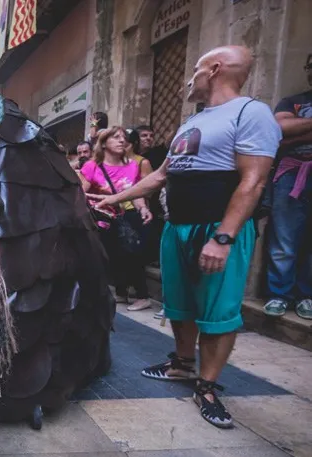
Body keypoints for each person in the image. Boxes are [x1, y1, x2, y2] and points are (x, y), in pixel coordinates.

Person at [91, 46, 281, 428]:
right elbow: (161, 175)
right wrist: (114, 198)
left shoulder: (251, 112)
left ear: (214, 69)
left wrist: (224, 238)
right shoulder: (193, 121)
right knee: (179, 304)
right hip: (177, 227)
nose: (188, 78)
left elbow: (253, 180)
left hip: (215, 228)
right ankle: (181, 363)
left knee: (217, 312)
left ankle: (207, 386)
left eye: (194, 69)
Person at [79, 127, 153, 312]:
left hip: (120, 217)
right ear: (103, 143)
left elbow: (135, 192)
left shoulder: (133, 166)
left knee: (131, 254)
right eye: (116, 137)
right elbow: (79, 194)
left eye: (124, 138)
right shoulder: (92, 166)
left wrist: (143, 207)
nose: (122, 141)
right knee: (100, 259)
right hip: (97, 221)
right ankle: (99, 296)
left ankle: (142, 296)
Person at [263, 54, 312, 319]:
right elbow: (279, 130)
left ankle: (307, 295)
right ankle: (279, 294)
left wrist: (297, 133)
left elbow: (290, 132)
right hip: (291, 172)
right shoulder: (292, 101)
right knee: (284, 237)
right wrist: (288, 133)